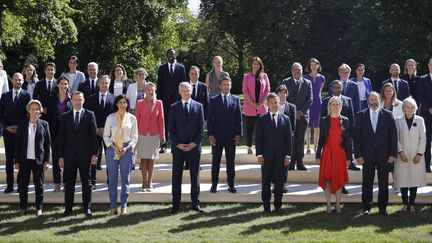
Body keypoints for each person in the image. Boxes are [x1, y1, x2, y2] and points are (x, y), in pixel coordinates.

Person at [354, 91, 397, 215]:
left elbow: (393, 136)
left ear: (380, 100)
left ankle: (382, 208)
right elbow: (357, 138)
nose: (373, 102)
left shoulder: (388, 115)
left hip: (384, 155)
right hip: (366, 155)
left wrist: (393, 154)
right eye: (371, 99)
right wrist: (358, 155)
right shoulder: (361, 115)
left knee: (383, 183)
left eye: (375, 99)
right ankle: (366, 208)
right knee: (367, 182)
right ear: (368, 101)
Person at [58, 91, 98, 217]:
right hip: (69, 156)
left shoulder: (90, 115)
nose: (77, 101)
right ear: (71, 101)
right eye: (75, 99)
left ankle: (87, 208)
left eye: (80, 99)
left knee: (87, 182)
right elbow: (61, 138)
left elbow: (94, 137)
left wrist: (94, 154)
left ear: (83, 100)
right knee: (69, 183)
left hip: (86, 156)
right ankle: (68, 209)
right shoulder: (65, 117)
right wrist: (60, 156)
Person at [168, 82, 204, 215]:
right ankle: (175, 206)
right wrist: (177, 144)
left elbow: (201, 128)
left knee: (195, 178)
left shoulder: (199, 106)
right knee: (176, 177)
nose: (187, 92)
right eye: (184, 90)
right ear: (179, 92)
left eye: (188, 90)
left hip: (194, 149)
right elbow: (171, 129)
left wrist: (194, 143)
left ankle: (196, 204)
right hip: (178, 149)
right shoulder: (173, 107)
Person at [256, 93, 292, 213]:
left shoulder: (285, 119)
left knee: (279, 182)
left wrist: (288, 155)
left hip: (281, 157)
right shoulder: (261, 120)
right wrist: (259, 154)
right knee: (265, 182)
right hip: (266, 157)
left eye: (276, 102)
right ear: (267, 104)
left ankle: (278, 206)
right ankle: (266, 207)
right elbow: (258, 139)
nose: (274, 105)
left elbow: (289, 139)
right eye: (271, 103)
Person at [103, 94, 138, 216]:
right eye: (120, 103)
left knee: (125, 179)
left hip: (127, 149)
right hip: (112, 149)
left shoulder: (132, 118)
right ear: (116, 104)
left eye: (124, 103)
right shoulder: (110, 117)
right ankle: (113, 207)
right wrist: (114, 147)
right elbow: (106, 136)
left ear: (127, 104)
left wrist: (128, 147)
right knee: (112, 179)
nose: (122, 105)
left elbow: (135, 136)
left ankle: (124, 207)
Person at [14, 99, 51, 216]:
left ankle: (39, 208)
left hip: (39, 161)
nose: (35, 111)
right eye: (32, 109)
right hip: (25, 160)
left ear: (40, 111)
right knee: (23, 185)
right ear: (28, 110)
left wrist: (46, 160)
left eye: (37, 109)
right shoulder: (22, 124)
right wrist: (17, 161)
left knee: (39, 186)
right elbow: (17, 145)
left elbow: (47, 144)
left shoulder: (45, 124)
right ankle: (23, 208)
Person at [316, 96, 350, 214]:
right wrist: (317, 154)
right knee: (328, 180)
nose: (335, 107)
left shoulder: (345, 120)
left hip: (340, 153)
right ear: (329, 106)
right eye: (333, 104)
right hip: (327, 152)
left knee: (339, 179)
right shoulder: (324, 120)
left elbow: (347, 140)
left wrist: (349, 157)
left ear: (340, 106)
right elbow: (321, 139)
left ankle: (338, 206)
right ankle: (329, 206)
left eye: (337, 104)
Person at [208, 77, 242, 193]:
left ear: (230, 86)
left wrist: (239, 134)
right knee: (215, 162)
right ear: (220, 86)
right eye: (224, 84)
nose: (226, 86)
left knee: (230, 162)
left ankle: (231, 185)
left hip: (231, 137)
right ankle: (214, 185)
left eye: (228, 84)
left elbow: (239, 119)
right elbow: (210, 119)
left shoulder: (236, 99)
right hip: (217, 137)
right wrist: (211, 135)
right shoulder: (213, 100)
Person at [0, 73, 31, 193]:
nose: (18, 81)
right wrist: (7, 126)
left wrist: (20, 127)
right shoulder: (5, 95)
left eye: (20, 80)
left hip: (22, 132)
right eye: (16, 79)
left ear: (23, 81)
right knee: (9, 160)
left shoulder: (27, 95)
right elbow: (1, 113)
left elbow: (28, 113)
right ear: (12, 80)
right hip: (8, 132)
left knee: (22, 159)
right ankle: (9, 185)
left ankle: (20, 184)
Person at [394, 98, 427, 213]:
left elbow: (423, 138)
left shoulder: (420, 120)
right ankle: (404, 203)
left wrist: (419, 154)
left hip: (415, 155)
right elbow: (396, 138)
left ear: (416, 108)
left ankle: (411, 204)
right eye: (407, 107)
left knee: (414, 180)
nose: (410, 109)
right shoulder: (398, 121)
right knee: (403, 180)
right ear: (403, 108)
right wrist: (400, 152)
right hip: (402, 155)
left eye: (412, 107)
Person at [321, 81, 355, 189]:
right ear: (331, 88)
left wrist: (351, 135)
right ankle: (331, 186)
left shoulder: (348, 100)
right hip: (330, 137)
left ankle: (341, 186)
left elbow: (352, 118)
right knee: (331, 166)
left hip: (344, 137)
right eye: (335, 87)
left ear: (342, 88)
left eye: (339, 87)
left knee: (341, 165)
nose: (337, 89)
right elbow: (322, 118)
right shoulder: (326, 101)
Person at [85, 75, 116, 188]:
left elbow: (116, 117)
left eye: (106, 83)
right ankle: (92, 181)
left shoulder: (114, 99)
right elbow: (88, 116)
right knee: (93, 157)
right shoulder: (90, 98)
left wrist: (106, 129)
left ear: (109, 84)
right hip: (94, 132)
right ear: (98, 84)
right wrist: (97, 129)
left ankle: (110, 182)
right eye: (102, 82)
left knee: (111, 159)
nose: (104, 85)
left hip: (110, 133)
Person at [329, 63, 360, 171]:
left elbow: (356, 103)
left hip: (348, 117)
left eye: (346, 72)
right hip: (334, 118)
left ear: (350, 73)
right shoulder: (333, 85)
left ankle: (350, 162)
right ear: (339, 73)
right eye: (342, 72)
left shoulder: (354, 85)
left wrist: (356, 119)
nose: (344, 74)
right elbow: (329, 100)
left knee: (349, 142)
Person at [135, 82, 165, 192]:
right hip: (142, 134)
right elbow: (136, 119)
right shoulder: (139, 103)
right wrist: (134, 135)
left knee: (152, 159)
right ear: (144, 91)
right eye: (148, 90)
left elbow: (161, 120)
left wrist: (163, 135)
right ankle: (144, 182)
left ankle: (150, 182)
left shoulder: (159, 103)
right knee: (143, 159)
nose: (150, 92)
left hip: (154, 134)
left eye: (152, 90)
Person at [282, 62, 312, 171]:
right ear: (291, 71)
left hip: (303, 117)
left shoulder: (307, 83)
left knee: (300, 140)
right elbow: (283, 98)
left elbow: (310, 99)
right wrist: (294, 112)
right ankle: (290, 163)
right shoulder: (286, 82)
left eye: (299, 69)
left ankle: (300, 162)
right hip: (289, 116)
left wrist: (301, 112)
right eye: (295, 69)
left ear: (302, 71)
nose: (297, 71)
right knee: (291, 140)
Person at [157, 48, 187, 153]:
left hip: (177, 100)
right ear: (166, 55)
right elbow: (159, 85)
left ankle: (176, 145)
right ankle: (164, 144)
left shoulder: (181, 67)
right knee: (164, 122)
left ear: (175, 55)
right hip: (164, 101)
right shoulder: (162, 68)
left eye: (173, 54)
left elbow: (183, 84)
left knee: (177, 122)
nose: (171, 55)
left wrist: (182, 98)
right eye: (169, 53)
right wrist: (159, 100)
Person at [46, 76, 72, 192]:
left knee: (67, 158)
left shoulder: (71, 99)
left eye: (66, 84)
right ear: (57, 85)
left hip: (68, 133)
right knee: (56, 157)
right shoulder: (51, 98)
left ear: (68, 85)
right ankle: (57, 182)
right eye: (61, 83)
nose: (64, 86)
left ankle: (66, 182)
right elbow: (48, 116)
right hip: (54, 131)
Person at [242, 57, 270, 155]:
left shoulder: (264, 76)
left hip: (262, 107)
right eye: (254, 63)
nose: (256, 65)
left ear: (260, 65)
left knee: (263, 128)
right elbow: (245, 91)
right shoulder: (247, 76)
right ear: (251, 64)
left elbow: (267, 90)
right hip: (250, 107)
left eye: (257, 64)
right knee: (250, 128)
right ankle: (249, 146)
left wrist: (261, 103)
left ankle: (262, 147)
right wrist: (253, 104)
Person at [380, 82, 404, 194]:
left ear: (393, 91)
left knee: (395, 162)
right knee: (384, 162)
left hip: (396, 136)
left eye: (390, 90)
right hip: (382, 137)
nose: (388, 93)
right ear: (383, 92)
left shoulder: (400, 104)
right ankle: (384, 185)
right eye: (386, 91)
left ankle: (396, 184)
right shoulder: (379, 103)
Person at [275, 84, 296, 192]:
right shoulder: (273, 106)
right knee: (274, 162)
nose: (283, 94)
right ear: (277, 94)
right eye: (280, 92)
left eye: (284, 92)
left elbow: (293, 125)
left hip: (286, 139)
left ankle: (283, 184)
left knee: (284, 163)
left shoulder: (292, 107)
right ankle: (275, 185)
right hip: (274, 139)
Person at [303, 58, 325, 154]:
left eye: (315, 65)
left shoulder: (322, 78)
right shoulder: (305, 77)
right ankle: (307, 147)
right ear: (309, 66)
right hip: (308, 102)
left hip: (318, 103)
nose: (313, 66)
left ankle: (316, 147)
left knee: (317, 126)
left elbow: (319, 91)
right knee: (307, 126)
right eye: (311, 65)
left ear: (318, 65)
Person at [418, 57, 432, 173]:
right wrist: (429, 108)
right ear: (428, 65)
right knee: (426, 140)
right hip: (426, 114)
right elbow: (421, 97)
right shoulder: (422, 79)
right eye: (431, 64)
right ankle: (427, 165)